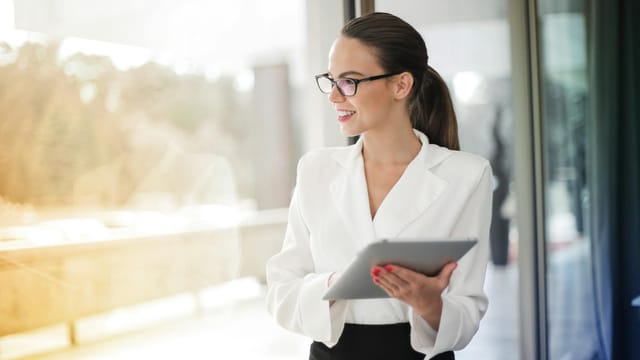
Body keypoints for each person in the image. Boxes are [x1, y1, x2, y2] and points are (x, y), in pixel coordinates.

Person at [266, 12, 492, 360]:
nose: (334, 97)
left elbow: (468, 311)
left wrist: (431, 305)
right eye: (332, 80)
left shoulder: (466, 176)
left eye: (350, 81)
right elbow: (281, 292)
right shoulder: (316, 170)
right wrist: (335, 285)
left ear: (401, 85)